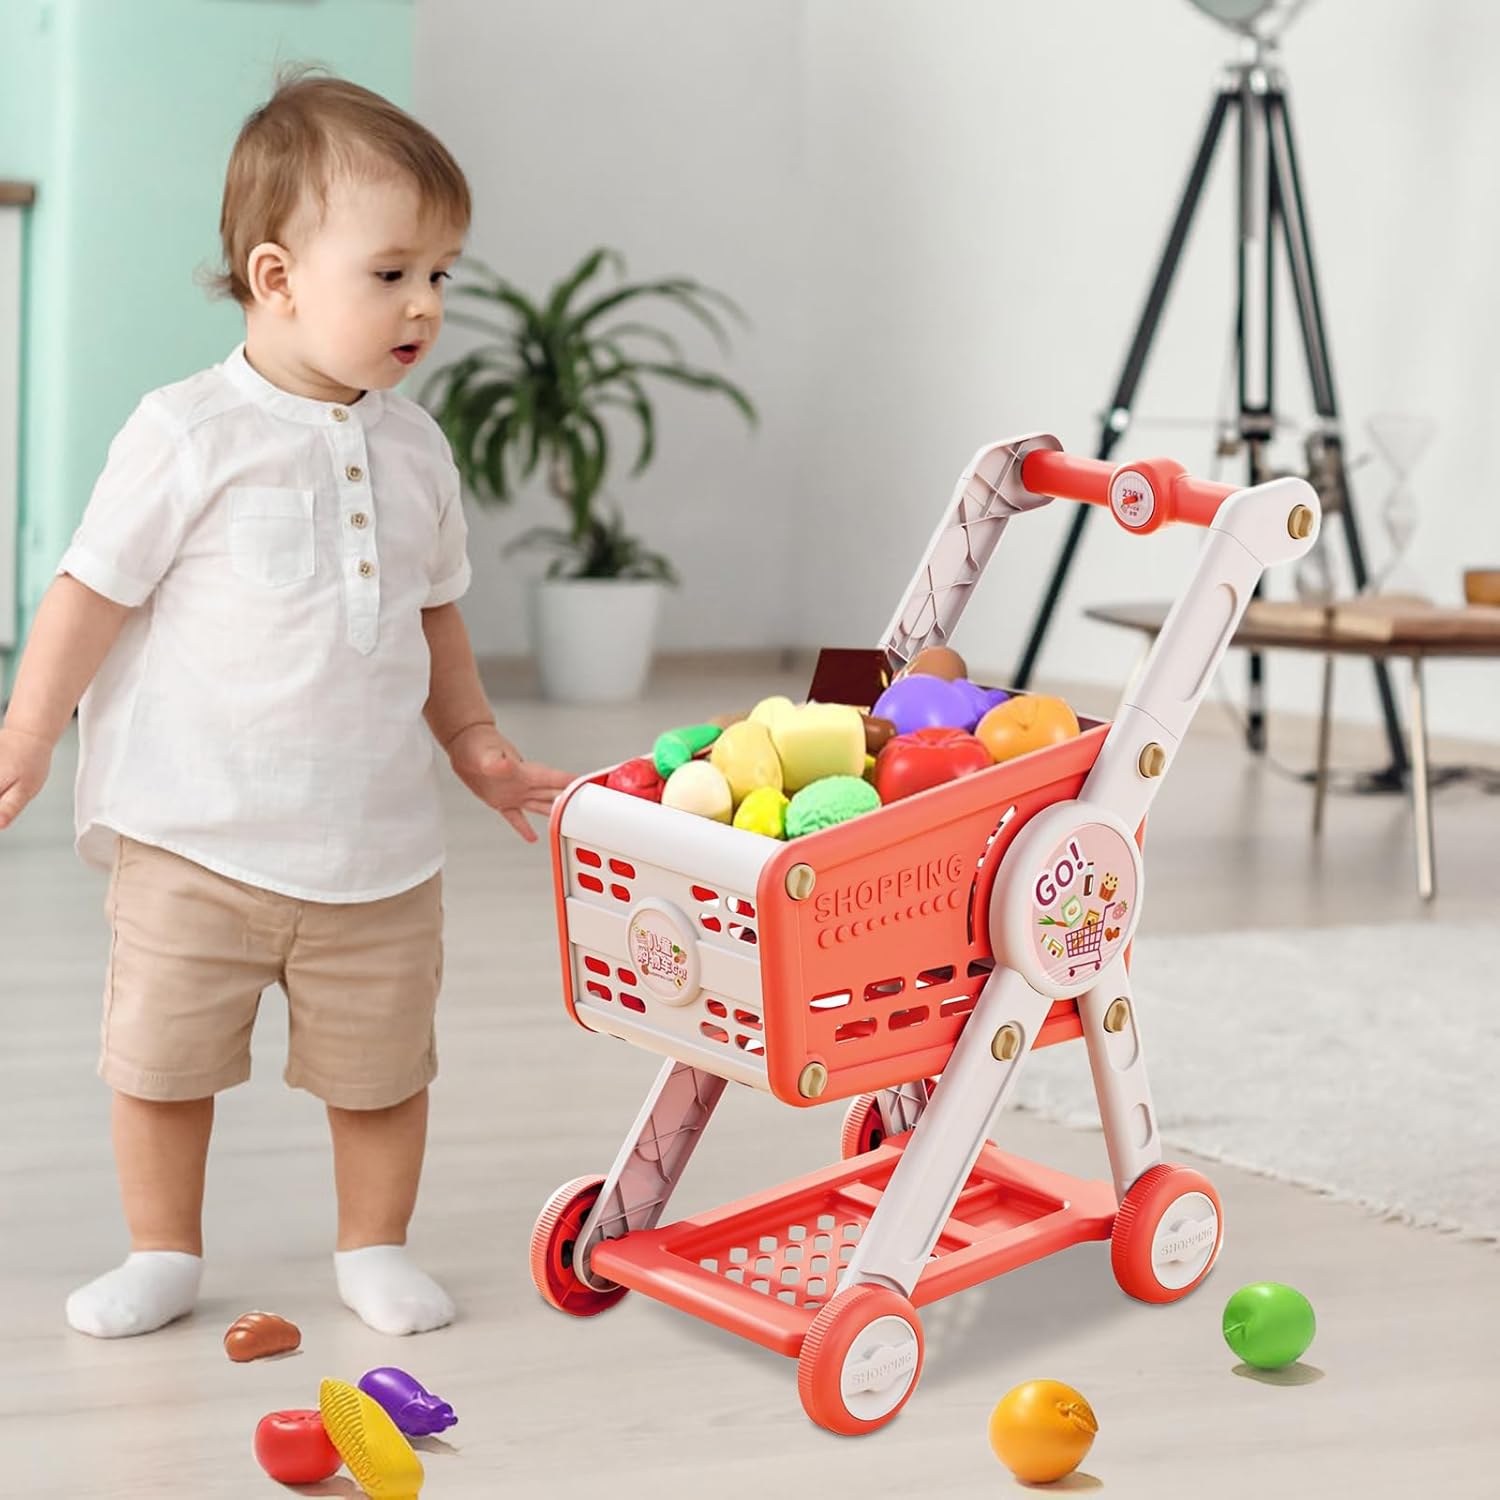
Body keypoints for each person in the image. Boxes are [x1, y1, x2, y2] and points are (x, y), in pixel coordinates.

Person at [0, 71, 571, 1339]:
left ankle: (375, 1245)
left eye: (442, 273)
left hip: (376, 853)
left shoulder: (417, 450)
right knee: (163, 1064)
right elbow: (89, 590)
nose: (426, 304)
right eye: (391, 272)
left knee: (383, 1070)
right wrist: (29, 733)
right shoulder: (189, 433)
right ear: (277, 277)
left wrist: (476, 742)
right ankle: (163, 1251)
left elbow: (434, 613)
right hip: (194, 838)